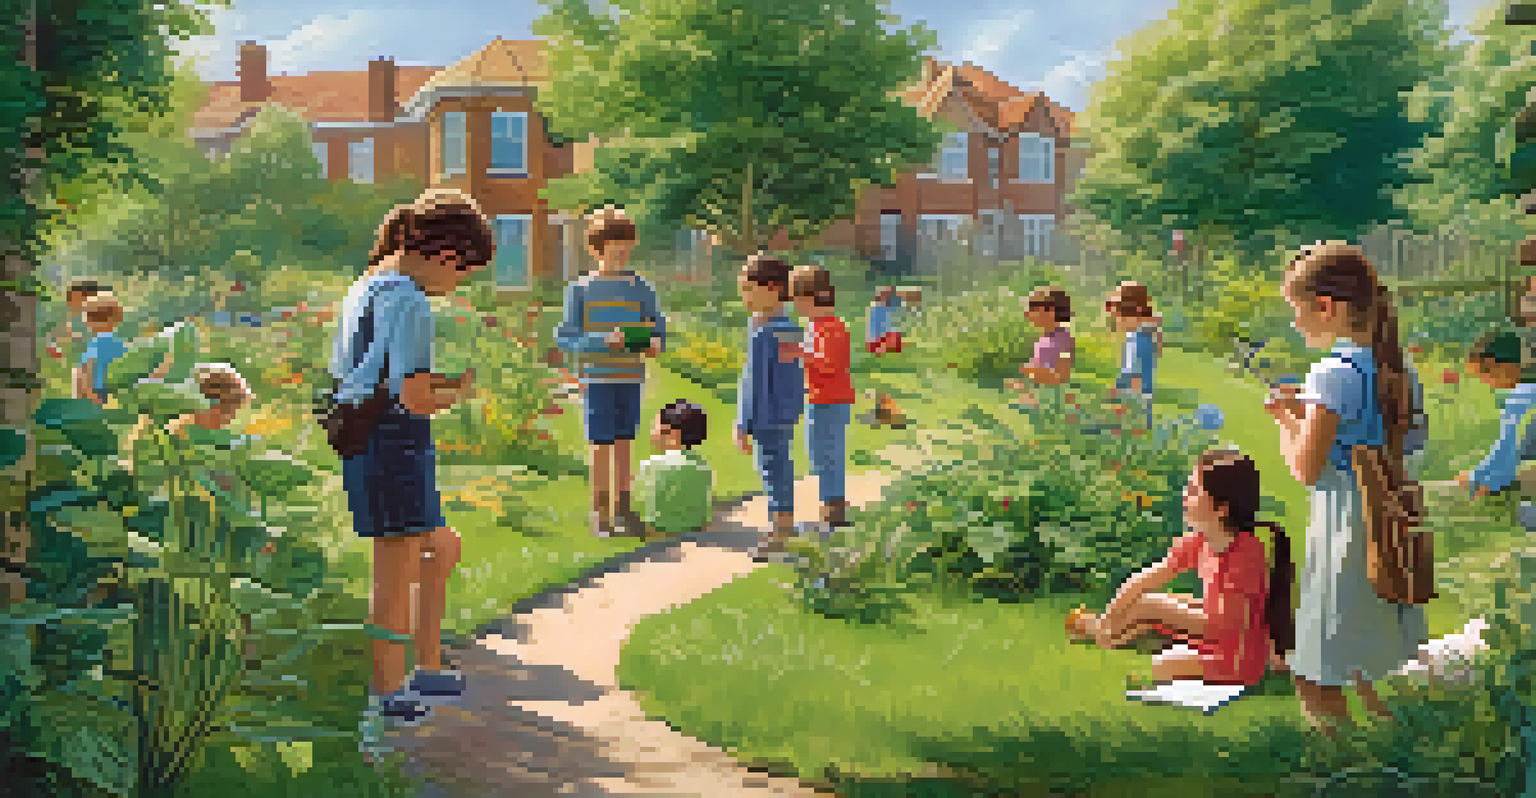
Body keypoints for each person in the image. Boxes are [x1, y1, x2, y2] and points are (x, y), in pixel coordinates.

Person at [333, 187, 493, 723]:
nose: (458, 285)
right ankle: (389, 688)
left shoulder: (371, 283)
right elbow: (415, 397)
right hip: (393, 438)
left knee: (439, 548)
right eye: (463, 273)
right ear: (448, 254)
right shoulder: (409, 300)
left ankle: (423, 666)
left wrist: (436, 385)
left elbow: (368, 374)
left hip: (365, 433)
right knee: (395, 570)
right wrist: (457, 393)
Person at [1266, 241, 1428, 736]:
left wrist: (1284, 420)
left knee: (1317, 670)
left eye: (1297, 311)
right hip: (1389, 516)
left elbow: (1306, 469)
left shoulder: (1332, 374)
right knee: (1382, 664)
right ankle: (1397, 758)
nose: (1295, 324)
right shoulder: (1396, 369)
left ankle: (1335, 766)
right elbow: (1410, 444)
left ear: (1326, 307)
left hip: (1345, 523)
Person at [1068, 450, 1293, 688]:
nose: (1185, 497)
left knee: (1163, 662)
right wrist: (1125, 613)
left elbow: (1229, 626)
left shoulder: (1246, 554)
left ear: (1221, 509)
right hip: (1215, 633)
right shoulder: (1198, 542)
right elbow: (1147, 579)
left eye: (1194, 491)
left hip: (1236, 657)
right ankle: (1101, 628)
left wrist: (1159, 609)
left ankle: (1102, 630)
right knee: (1151, 604)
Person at [554, 206, 668, 538]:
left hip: (631, 378)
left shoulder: (641, 288)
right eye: (615, 250)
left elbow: (657, 328)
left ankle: (624, 509)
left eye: (626, 249)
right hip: (597, 380)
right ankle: (600, 513)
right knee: (600, 444)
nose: (622, 255)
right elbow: (566, 338)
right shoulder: (581, 290)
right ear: (597, 249)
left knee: (624, 443)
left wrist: (654, 343)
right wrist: (604, 341)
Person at [737, 253, 804, 556]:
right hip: (783, 412)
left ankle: (781, 532)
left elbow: (754, 381)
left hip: (765, 414)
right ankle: (785, 524)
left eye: (750, 290)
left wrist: (743, 424)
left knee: (772, 469)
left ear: (774, 288)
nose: (745, 298)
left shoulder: (764, 332)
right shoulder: (787, 326)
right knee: (780, 467)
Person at [783, 264, 855, 529]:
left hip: (830, 400)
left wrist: (801, 354)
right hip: (819, 398)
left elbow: (830, 365)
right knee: (819, 453)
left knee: (827, 454)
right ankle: (831, 505)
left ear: (811, 298)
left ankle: (834, 509)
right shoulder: (816, 327)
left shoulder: (831, 328)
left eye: (798, 301)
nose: (796, 307)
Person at [1457, 330, 1536, 500]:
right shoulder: (1526, 392)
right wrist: (1477, 474)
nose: (1484, 381)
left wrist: (1481, 480)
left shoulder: (1522, 398)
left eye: (1484, 373)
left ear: (1503, 367)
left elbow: (1508, 452)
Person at [632, 400, 713, 537]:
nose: (652, 432)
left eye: (656, 427)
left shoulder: (651, 465)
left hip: (659, 531)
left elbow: (638, 502)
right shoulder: (704, 466)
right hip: (695, 528)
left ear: (673, 433)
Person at [1106, 281, 1162, 428]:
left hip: (1133, 410)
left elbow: (1134, 379)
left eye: (1118, 315)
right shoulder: (1144, 337)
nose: (1117, 321)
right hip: (1140, 407)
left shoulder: (1137, 341)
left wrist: (1120, 403)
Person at [1014, 286, 1075, 409]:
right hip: (1041, 397)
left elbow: (1061, 376)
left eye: (1032, 308)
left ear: (1050, 311)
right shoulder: (1044, 339)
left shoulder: (1063, 339)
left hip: (1052, 402)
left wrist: (1035, 371)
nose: (1027, 313)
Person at [74, 292, 127, 406]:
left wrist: (89, 396)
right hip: (116, 393)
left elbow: (82, 376)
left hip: (97, 394)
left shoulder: (95, 345)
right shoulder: (122, 345)